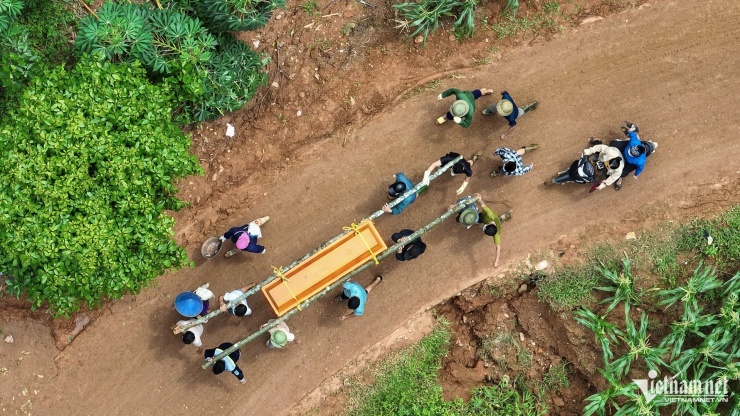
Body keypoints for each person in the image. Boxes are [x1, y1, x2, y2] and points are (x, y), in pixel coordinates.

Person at [588, 122, 656, 190]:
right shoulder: (634, 142)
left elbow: (640, 168)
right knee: (613, 144)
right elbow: (631, 133)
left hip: (628, 161)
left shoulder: (640, 161)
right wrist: (631, 130)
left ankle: (619, 177)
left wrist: (636, 175)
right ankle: (599, 143)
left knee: (622, 173)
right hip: (625, 149)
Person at [454, 194, 509, 268]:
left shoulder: (496, 234)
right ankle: (503, 216)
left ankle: (504, 216)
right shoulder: (489, 214)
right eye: (485, 227)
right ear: (489, 224)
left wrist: (497, 261)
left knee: (476, 220)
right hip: (482, 216)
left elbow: (498, 247)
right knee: (475, 219)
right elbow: (482, 204)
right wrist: (478, 198)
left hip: (486, 219)